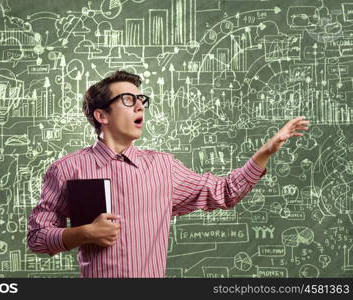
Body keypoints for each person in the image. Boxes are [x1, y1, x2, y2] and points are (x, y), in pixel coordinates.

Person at [27, 70, 310, 277]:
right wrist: (83, 233)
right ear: (102, 116)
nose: (140, 105)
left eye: (141, 99)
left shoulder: (163, 167)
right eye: (128, 99)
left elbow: (224, 192)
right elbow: (38, 237)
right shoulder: (67, 169)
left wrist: (266, 151)